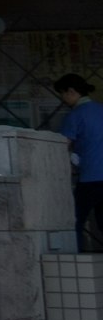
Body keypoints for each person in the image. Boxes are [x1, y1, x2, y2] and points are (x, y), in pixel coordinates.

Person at [50, 75, 103, 255]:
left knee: (75, 219)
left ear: (71, 91)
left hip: (90, 178)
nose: (63, 99)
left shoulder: (76, 115)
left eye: (63, 94)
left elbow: (62, 145)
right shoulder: (100, 109)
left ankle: (78, 259)